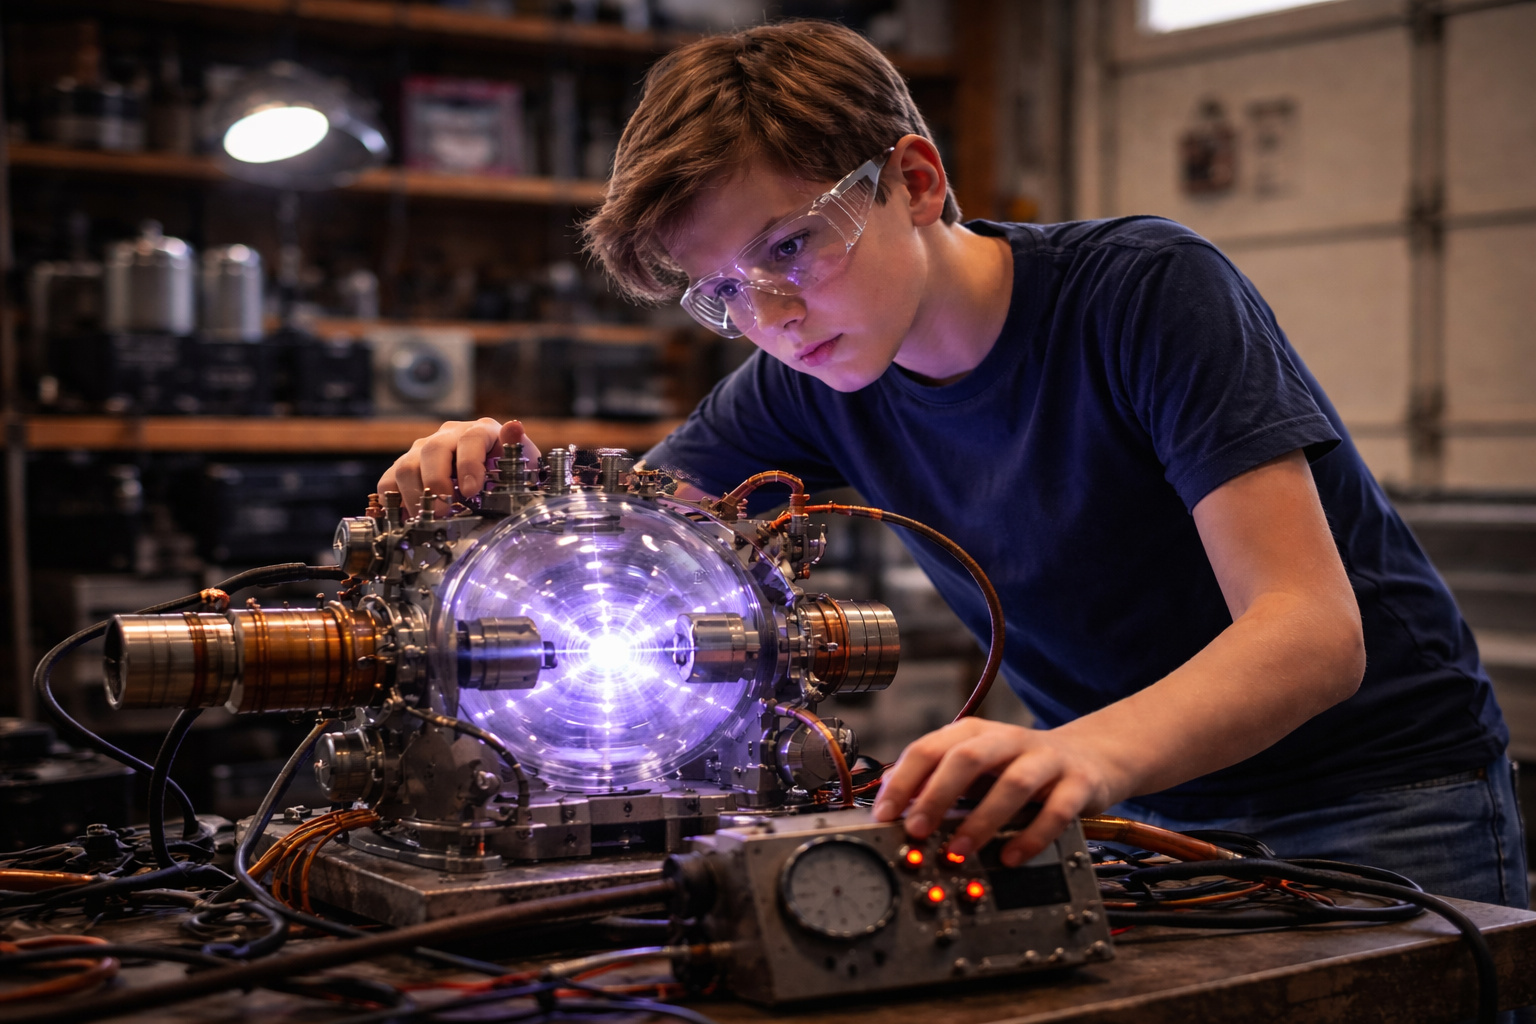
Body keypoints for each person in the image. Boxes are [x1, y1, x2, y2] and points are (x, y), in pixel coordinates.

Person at [380, 19, 1527, 910]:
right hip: (1137, 803)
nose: (772, 312)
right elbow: (627, 534)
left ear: (916, 181)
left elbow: (1310, 633)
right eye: (722, 291)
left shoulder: (1144, 293)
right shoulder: (812, 373)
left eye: (789, 246)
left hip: (1377, 791)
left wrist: (1068, 755)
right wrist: (499, 493)